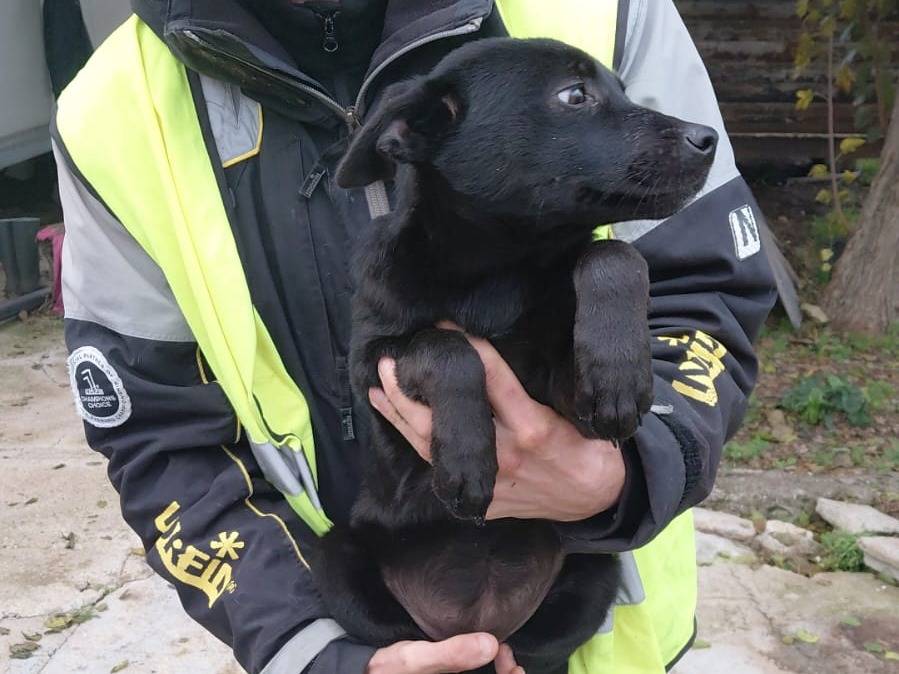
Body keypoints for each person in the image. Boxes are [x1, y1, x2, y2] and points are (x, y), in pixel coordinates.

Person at [52, 0, 776, 672]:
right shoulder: (111, 111)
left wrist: (632, 466)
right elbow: (155, 432)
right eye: (580, 99)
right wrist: (312, 651)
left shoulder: (602, 9)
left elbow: (707, 286)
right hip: (368, 602)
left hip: (584, 610)